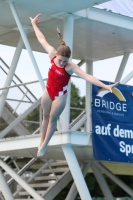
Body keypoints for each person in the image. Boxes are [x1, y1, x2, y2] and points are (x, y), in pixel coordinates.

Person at [30, 14, 119, 157]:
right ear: (57, 55)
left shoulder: (71, 66)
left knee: (52, 119)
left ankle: (45, 144)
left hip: (60, 96)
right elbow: (42, 39)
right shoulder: (52, 53)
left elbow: (87, 76)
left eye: (65, 61)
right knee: (45, 116)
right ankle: (41, 142)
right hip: (48, 91)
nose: (62, 63)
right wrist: (34, 24)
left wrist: (106, 86)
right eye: (61, 60)